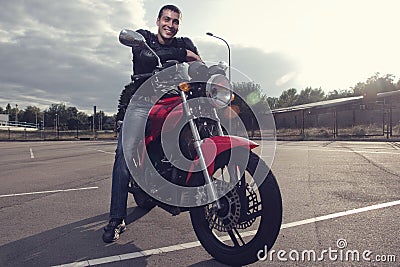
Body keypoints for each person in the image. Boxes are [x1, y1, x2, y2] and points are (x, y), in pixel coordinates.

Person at [103, 4, 201, 243]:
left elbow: (198, 65)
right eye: (166, 20)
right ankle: (116, 218)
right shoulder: (145, 39)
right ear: (158, 21)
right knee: (123, 154)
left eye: (175, 21)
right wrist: (182, 55)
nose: (170, 25)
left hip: (176, 101)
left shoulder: (185, 41)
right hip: (143, 103)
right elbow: (146, 57)